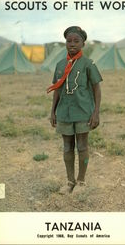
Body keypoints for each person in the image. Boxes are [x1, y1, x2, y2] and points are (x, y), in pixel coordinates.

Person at [47, 26, 103, 195]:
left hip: (83, 112)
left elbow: (96, 89)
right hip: (64, 112)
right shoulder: (60, 65)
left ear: (83, 44)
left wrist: (96, 112)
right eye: (69, 41)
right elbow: (57, 89)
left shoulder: (88, 64)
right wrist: (53, 111)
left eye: (76, 41)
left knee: (82, 145)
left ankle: (81, 182)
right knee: (67, 146)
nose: (72, 44)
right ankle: (70, 181)